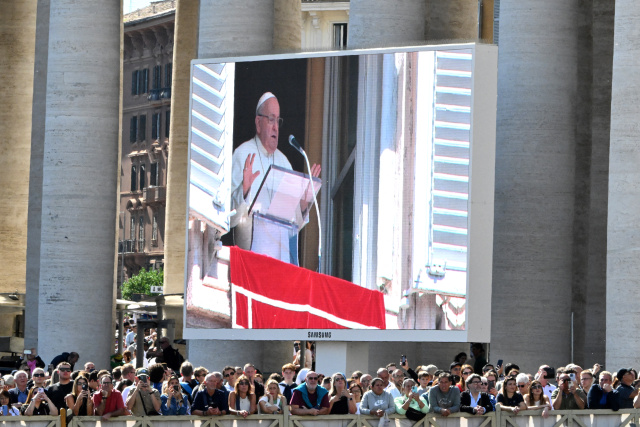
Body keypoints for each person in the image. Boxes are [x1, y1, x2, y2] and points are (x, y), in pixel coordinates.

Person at [230, 92, 321, 264]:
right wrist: (244, 190)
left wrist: (302, 204)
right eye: (271, 119)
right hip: (250, 259)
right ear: (258, 123)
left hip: (281, 261)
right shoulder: (242, 155)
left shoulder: (284, 163)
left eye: (278, 121)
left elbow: (293, 228)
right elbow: (229, 218)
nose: (275, 127)